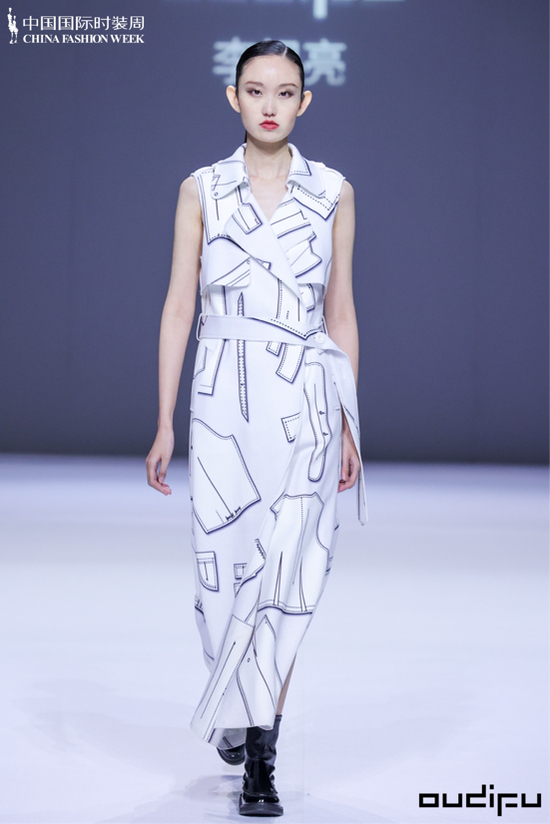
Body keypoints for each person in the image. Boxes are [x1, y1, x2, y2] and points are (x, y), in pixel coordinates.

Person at [146, 40, 366, 817]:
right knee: (224, 578)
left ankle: (262, 758)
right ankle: (233, 706)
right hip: (222, 403)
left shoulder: (333, 191)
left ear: (305, 101)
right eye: (255, 89)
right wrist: (164, 419)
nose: (269, 104)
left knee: (287, 584)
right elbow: (180, 305)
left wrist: (350, 425)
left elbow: (341, 313)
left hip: (306, 401)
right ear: (233, 97)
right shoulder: (201, 189)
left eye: (284, 91)